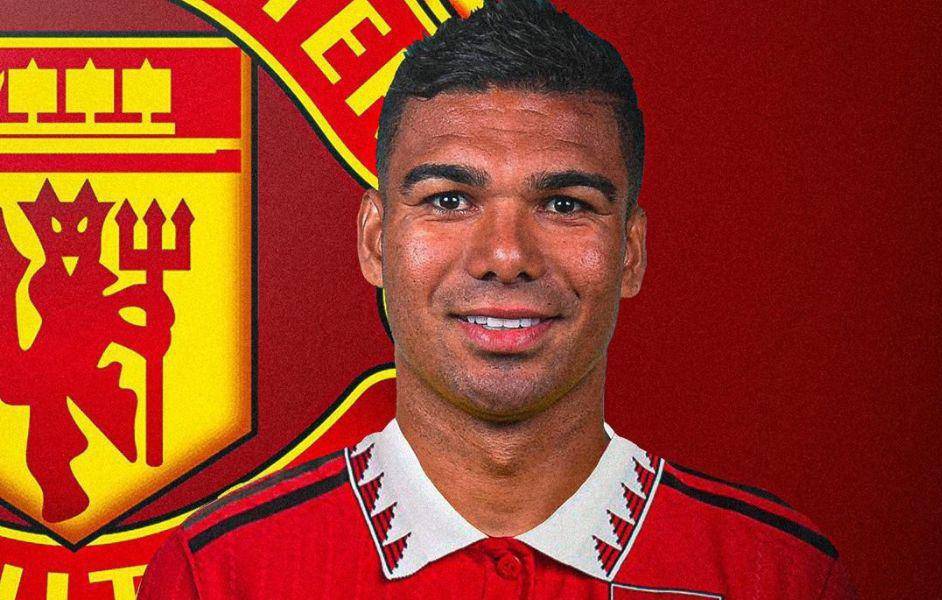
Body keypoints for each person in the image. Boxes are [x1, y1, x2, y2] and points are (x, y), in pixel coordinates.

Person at [138, 0, 856, 597]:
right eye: (449, 199)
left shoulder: (777, 577)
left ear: (630, 252)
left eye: (566, 204)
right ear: (375, 241)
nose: (506, 257)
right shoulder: (222, 575)